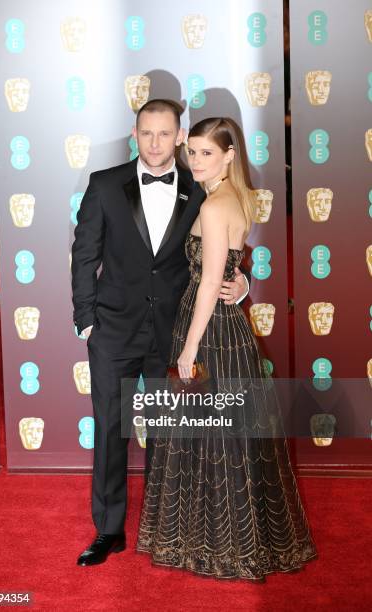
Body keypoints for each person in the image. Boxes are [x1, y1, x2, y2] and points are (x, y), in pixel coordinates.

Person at [137, 117, 318, 580]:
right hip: (229, 328)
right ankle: (227, 542)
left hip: (209, 333)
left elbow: (209, 284)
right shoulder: (236, 198)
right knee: (226, 437)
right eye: (192, 151)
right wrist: (241, 286)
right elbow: (230, 270)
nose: (195, 161)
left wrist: (189, 349)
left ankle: (217, 547)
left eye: (206, 153)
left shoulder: (217, 206)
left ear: (230, 154)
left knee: (209, 436)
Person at [71, 100, 250, 566]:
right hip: (111, 331)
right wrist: (86, 320)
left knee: (171, 437)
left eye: (164, 133)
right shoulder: (105, 185)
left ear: (179, 135)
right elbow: (84, 254)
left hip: (173, 334)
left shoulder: (202, 187)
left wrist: (243, 280)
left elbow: (224, 249)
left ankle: (162, 527)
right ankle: (108, 530)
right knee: (111, 430)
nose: (154, 143)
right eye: (146, 133)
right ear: (135, 133)